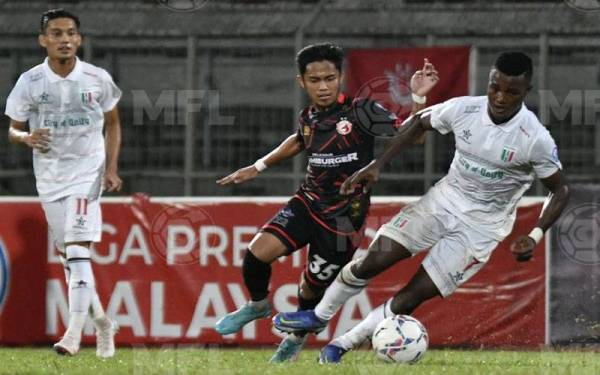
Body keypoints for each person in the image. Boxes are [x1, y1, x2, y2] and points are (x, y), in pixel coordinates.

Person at [273, 51, 570, 363]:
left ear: (526, 92)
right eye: (495, 86)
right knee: (374, 260)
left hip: (481, 228)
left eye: (511, 92)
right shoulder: (464, 109)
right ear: (490, 81)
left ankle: (340, 345)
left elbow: (560, 188)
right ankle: (319, 316)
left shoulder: (534, 138)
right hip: (442, 202)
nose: (499, 97)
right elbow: (417, 124)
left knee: (414, 294)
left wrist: (536, 234)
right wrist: (378, 164)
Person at [215, 42, 439, 362]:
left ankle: (294, 340)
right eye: (315, 80)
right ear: (302, 82)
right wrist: (258, 166)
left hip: (344, 219)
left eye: (329, 78)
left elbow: (412, 135)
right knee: (256, 254)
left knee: (310, 290)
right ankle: (258, 305)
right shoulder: (308, 115)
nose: (323, 86)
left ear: (340, 77)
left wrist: (418, 98)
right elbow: (299, 139)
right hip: (308, 202)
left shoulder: (361, 111)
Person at [5, 9, 122, 357]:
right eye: (56, 34)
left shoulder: (97, 78)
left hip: (87, 174)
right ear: (43, 40)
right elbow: (12, 129)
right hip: (50, 177)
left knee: (76, 250)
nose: (65, 40)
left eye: (70, 33)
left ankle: (72, 333)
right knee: (71, 260)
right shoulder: (30, 81)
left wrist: (111, 168)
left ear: (79, 39)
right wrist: (25, 137)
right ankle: (103, 324)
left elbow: (113, 124)